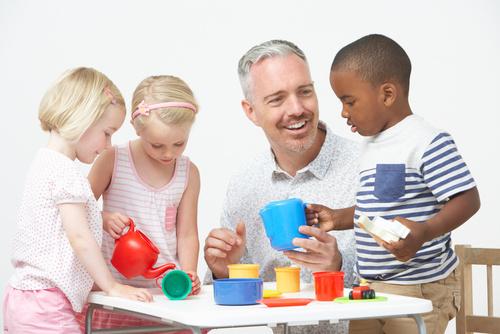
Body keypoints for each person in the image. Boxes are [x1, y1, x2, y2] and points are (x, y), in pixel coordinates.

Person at [306, 34, 481, 334]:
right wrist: (336, 218)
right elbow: (376, 212)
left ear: (387, 95)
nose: (343, 112)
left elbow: (468, 199)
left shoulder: (426, 141)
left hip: (418, 287)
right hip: (371, 286)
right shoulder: (371, 145)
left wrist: (424, 231)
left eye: (349, 101)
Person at [204, 40, 360, 334]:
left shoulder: (364, 167)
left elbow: (404, 278)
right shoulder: (244, 182)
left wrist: (338, 265)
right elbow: (228, 308)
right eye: (277, 99)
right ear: (251, 111)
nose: (297, 109)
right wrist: (223, 271)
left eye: (305, 92)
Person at [3, 67, 153, 333]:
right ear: (82, 120)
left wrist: (101, 218)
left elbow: (56, 229)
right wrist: (112, 285)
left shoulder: (44, 162)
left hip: (25, 299)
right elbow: (79, 237)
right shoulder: (66, 171)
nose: (108, 145)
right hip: (47, 305)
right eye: (107, 132)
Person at [78, 75, 201, 331]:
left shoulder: (188, 173)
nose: (169, 154)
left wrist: (188, 273)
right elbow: (78, 212)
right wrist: (103, 218)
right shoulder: (113, 159)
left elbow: (187, 233)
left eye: (179, 143)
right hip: (115, 294)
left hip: (165, 297)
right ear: (136, 126)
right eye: (157, 145)